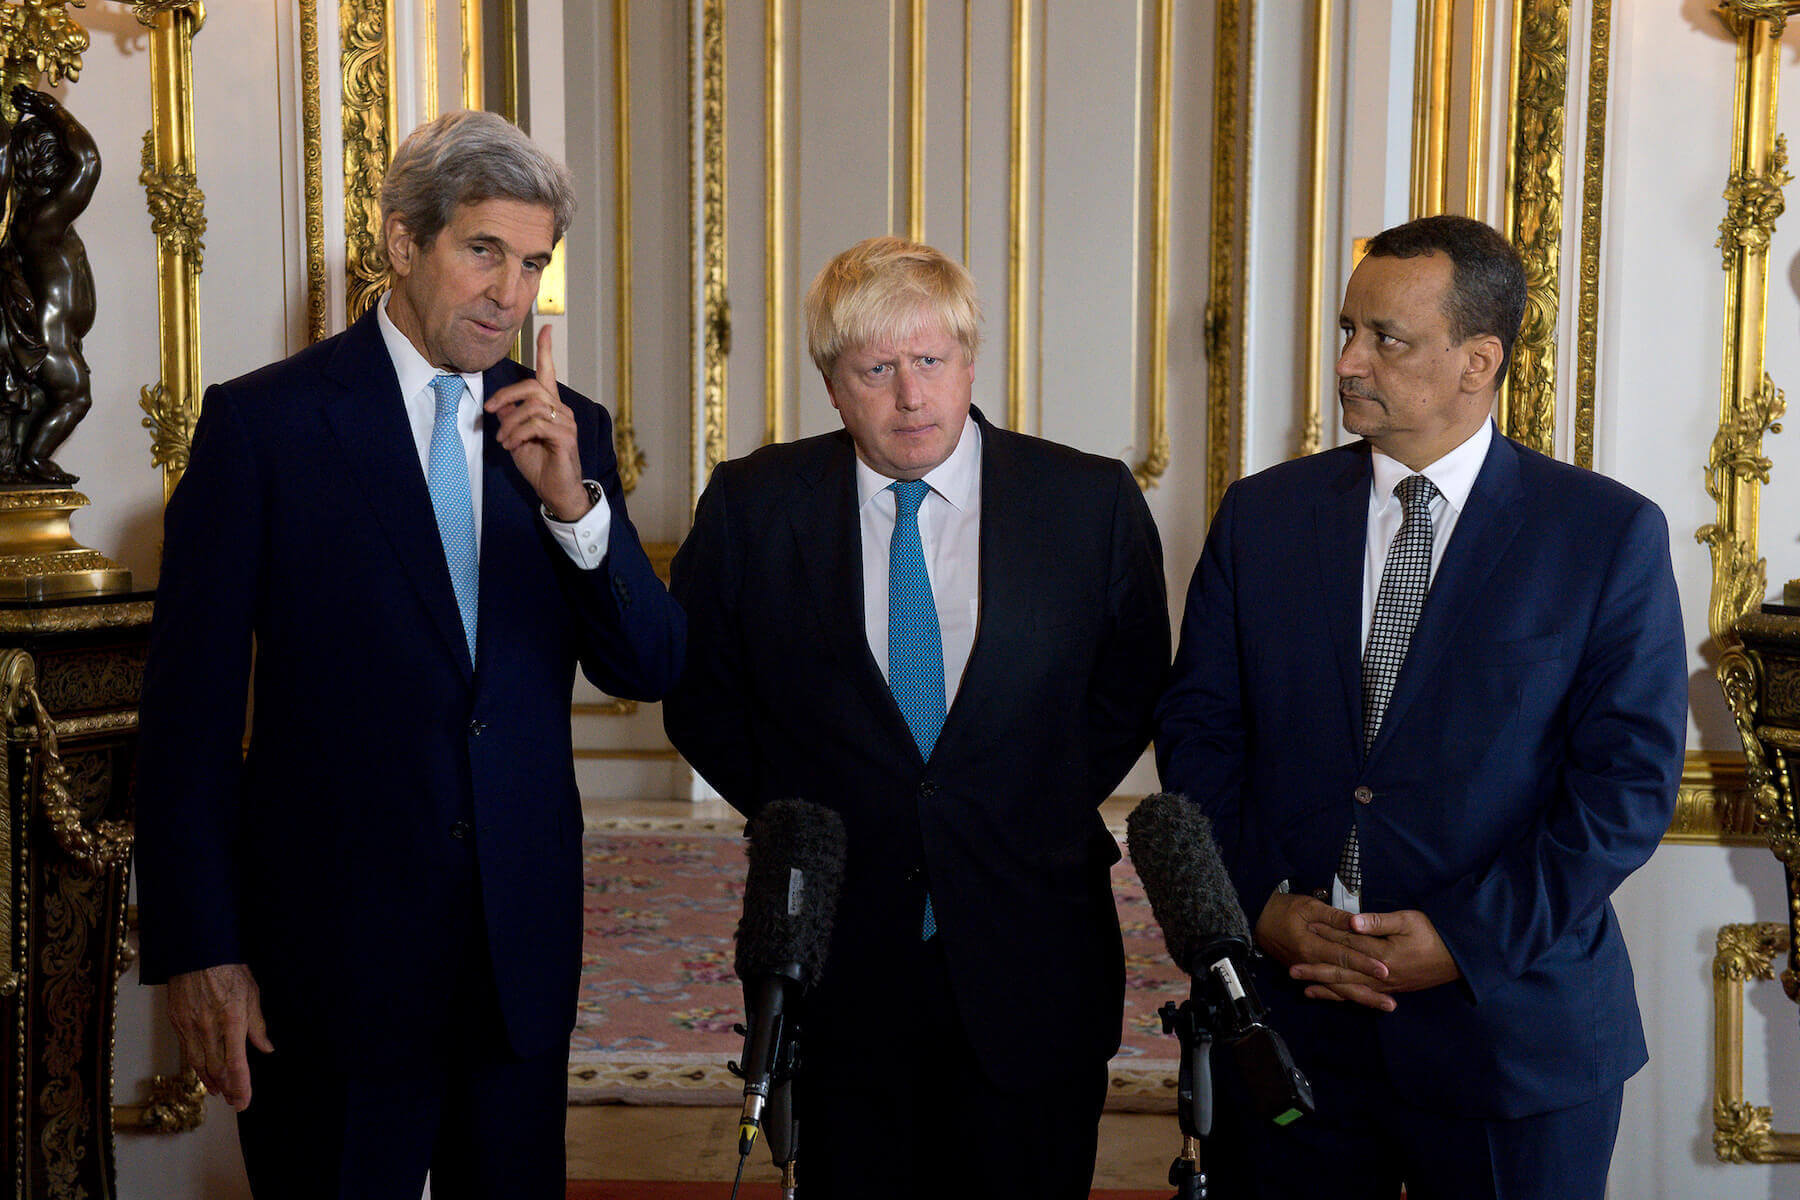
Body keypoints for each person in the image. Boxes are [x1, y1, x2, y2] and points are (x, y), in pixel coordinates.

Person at [133, 110, 685, 1198]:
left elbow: (651, 666)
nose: (510, 294)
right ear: (401, 242)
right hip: (328, 961)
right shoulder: (265, 426)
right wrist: (200, 950)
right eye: (484, 251)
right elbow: (186, 719)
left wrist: (577, 510)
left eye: (532, 264)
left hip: (516, 954)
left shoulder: (565, 425)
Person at [1154, 213, 1686, 1198]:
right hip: (1288, 1032)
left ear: (1478, 361)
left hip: (1511, 1039)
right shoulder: (1264, 517)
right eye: (1347, 331)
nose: (1350, 362)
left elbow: (1625, 789)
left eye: (1385, 340)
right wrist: (1266, 908)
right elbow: (1199, 735)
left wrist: (1466, 942)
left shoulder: (1603, 535)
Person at [663, 235, 1169, 1199]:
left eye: (930, 362)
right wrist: (811, 818)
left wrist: (1019, 799)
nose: (910, 397)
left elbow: (1131, 686)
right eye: (877, 369)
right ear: (831, 383)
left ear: (970, 361)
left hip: (1032, 939)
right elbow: (701, 693)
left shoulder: (1086, 500)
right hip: (839, 950)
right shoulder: (753, 505)